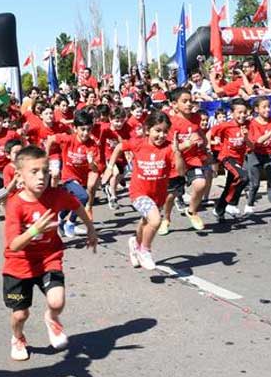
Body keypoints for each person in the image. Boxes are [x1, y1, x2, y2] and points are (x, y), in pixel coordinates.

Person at [2, 145, 96, 361]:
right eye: (34, 172)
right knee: (20, 314)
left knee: (56, 301)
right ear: (20, 176)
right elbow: (14, 245)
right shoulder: (15, 204)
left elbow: (77, 207)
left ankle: (51, 319)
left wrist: (90, 228)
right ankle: (17, 337)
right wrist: (35, 230)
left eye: (45, 170)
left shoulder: (57, 195)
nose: (42, 176)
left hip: (48, 258)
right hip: (19, 265)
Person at [102, 110, 185, 270]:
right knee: (155, 220)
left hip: (158, 194)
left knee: (146, 221)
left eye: (165, 131)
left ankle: (135, 243)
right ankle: (144, 250)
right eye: (157, 131)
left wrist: (178, 152)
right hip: (139, 193)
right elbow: (119, 146)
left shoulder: (169, 148)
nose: (161, 135)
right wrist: (110, 167)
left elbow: (180, 171)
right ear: (148, 130)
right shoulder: (138, 143)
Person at [163, 87, 209, 234]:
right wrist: (187, 144)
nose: (189, 104)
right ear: (175, 104)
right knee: (171, 195)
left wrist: (202, 142)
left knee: (201, 183)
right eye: (184, 101)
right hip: (176, 161)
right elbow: (171, 149)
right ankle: (166, 219)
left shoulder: (196, 118)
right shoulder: (171, 123)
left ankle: (192, 211)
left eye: (191, 101)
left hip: (193, 159)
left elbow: (201, 134)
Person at [56, 110, 101, 232]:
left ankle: (60, 217)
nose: (86, 133)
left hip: (81, 179)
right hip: (68, 177)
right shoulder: (68, 139)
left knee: (72, 201)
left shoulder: (93, 145)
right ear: (75, 128)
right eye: (83, 129)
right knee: (83, 197)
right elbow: (51, 139)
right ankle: (70, 222)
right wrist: (46, 154)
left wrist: (92, 163)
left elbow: (95, 169)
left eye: (89, 129)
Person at [211, 99, 252, 220]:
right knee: (244, 177)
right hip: (227, 157)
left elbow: (251, 146)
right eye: (239, 112)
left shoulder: (248, 125)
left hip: (238, 160)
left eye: (244, 112)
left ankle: (219, 210)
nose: (242, 115)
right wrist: (210, 146)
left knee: (230, 186)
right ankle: (232, 204)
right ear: (232, 113)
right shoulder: (225, 125)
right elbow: (209, 134)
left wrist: (245, 137)